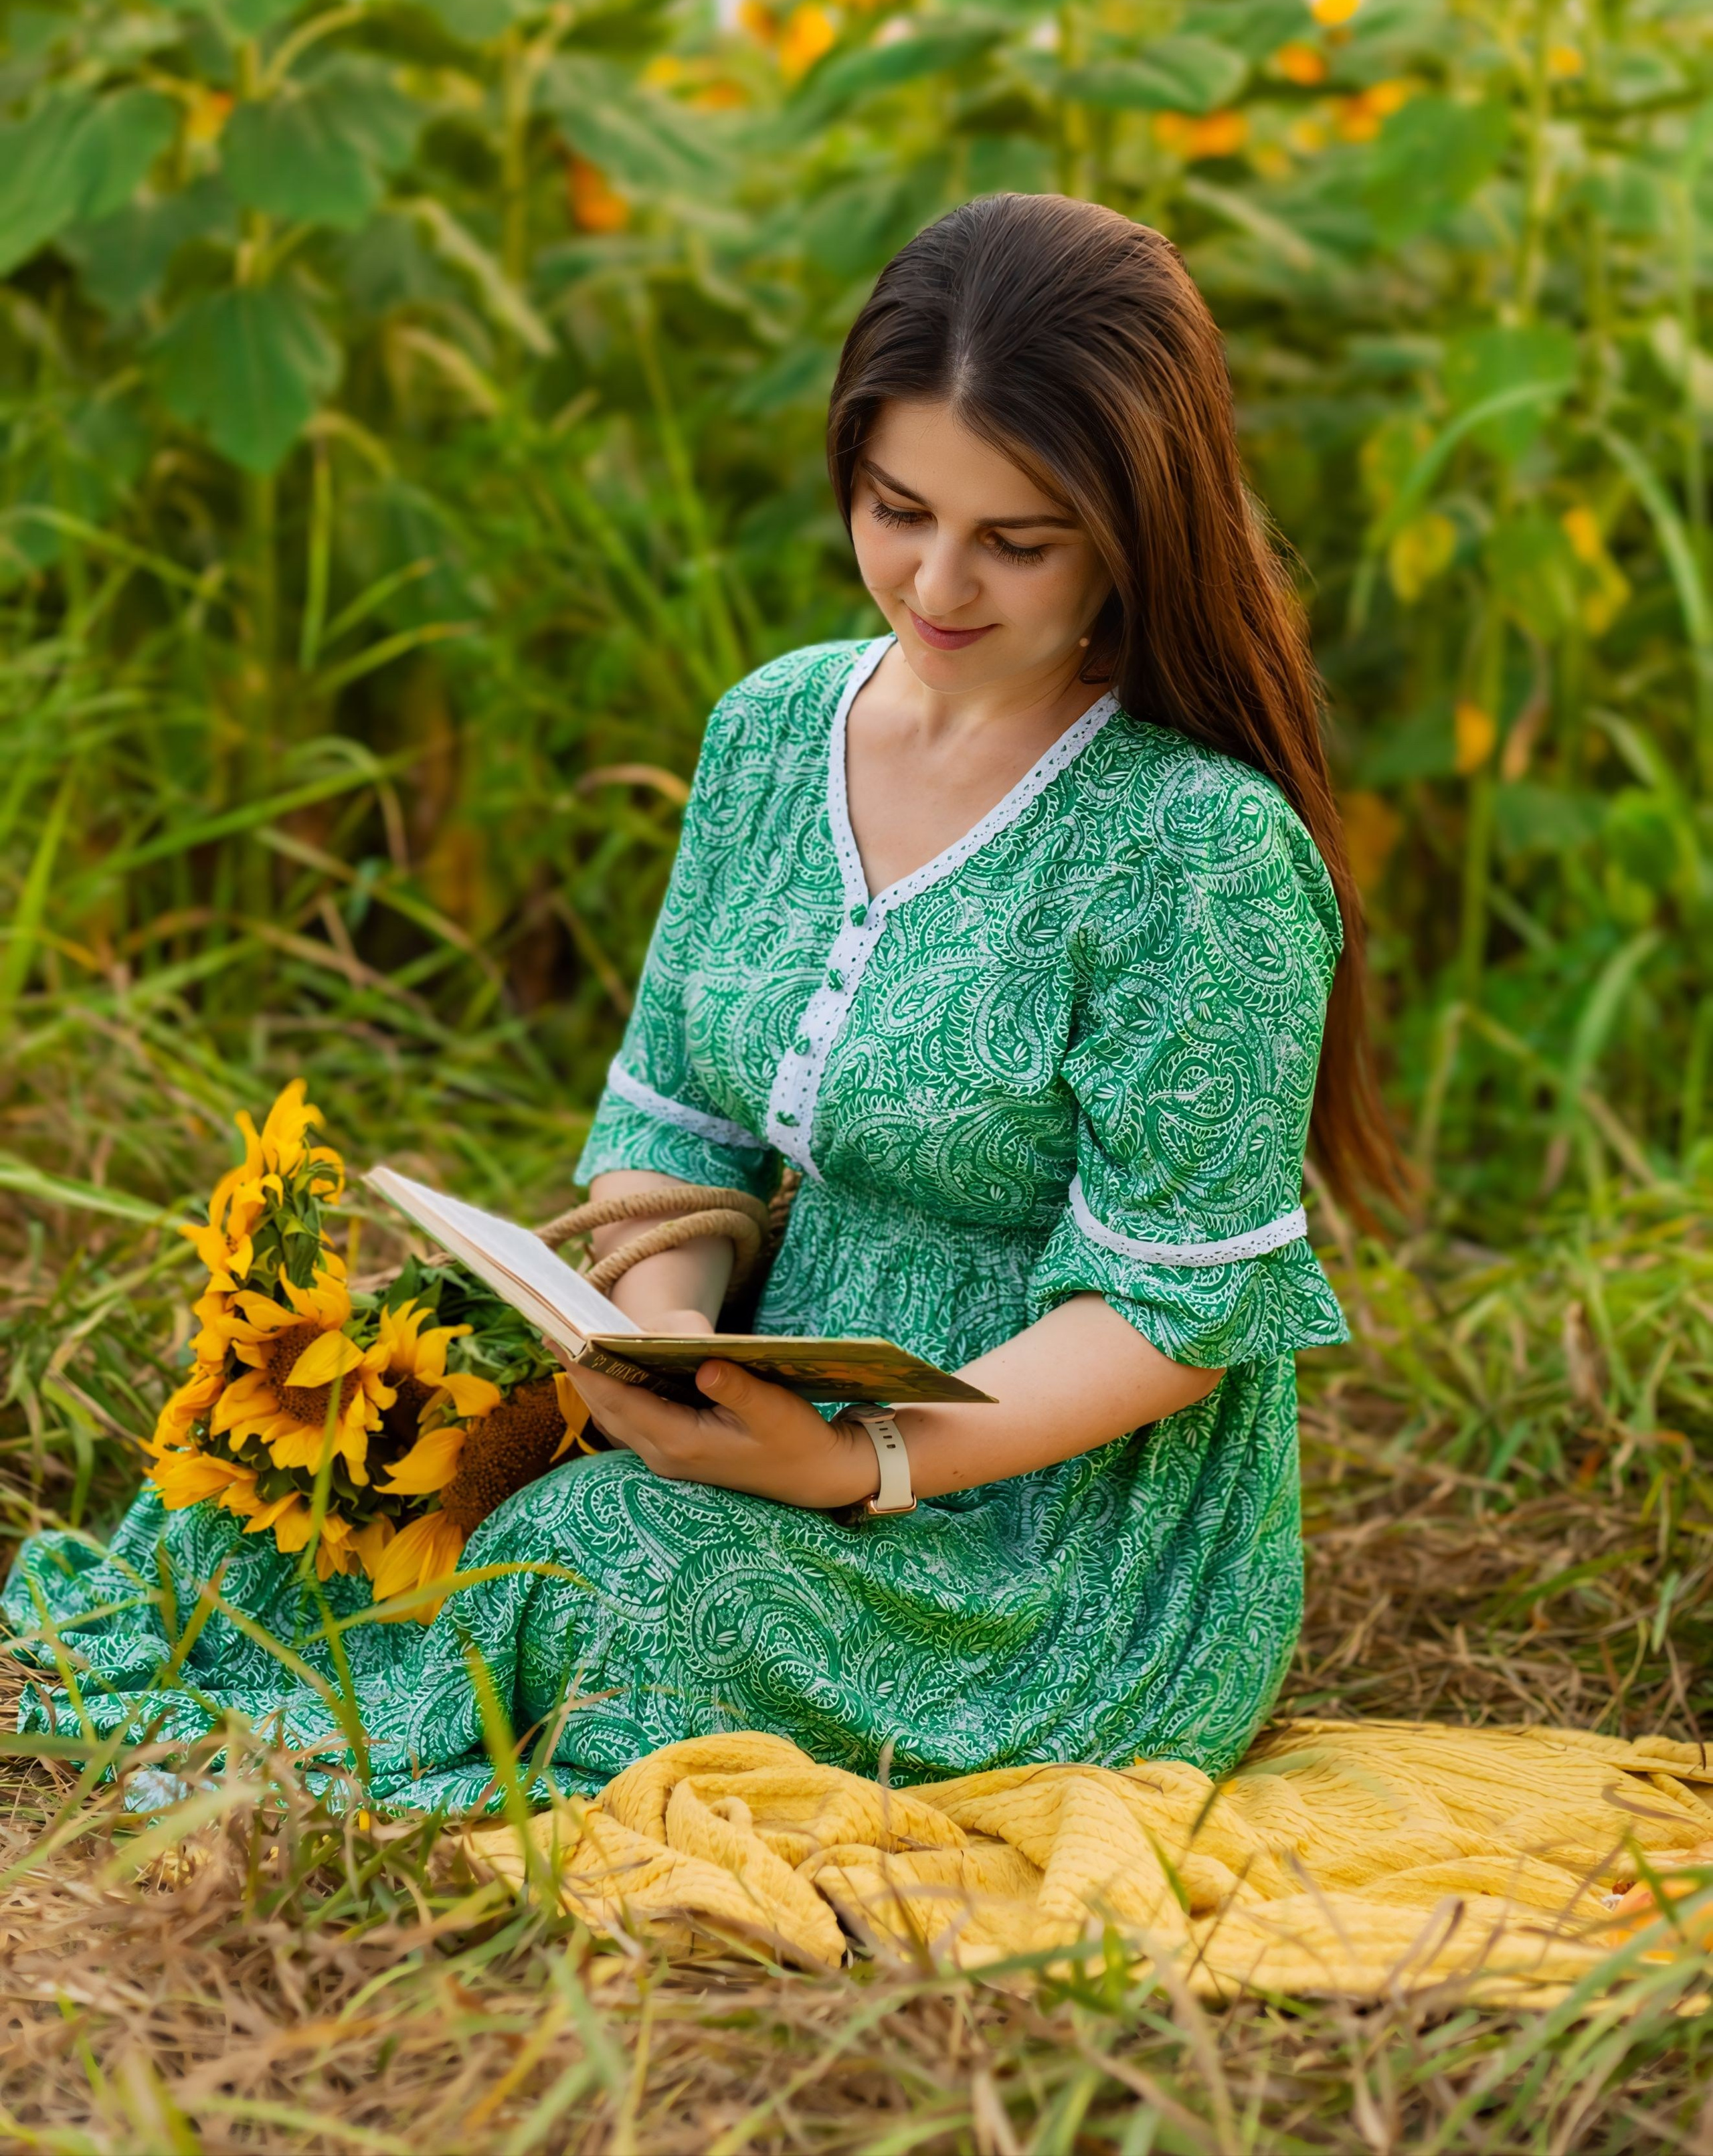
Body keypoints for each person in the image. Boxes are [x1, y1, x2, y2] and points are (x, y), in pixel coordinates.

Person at [5, 193, 1394, 1807]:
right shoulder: (774, 728)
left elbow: (1174, 1319)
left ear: (1135, 532)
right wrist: (654, 1345)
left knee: (604, 1562)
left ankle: (406, 1725)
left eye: (1017, 541)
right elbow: (676, 1120)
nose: (936, 582)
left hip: (1047, 1537)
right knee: (325, 1449)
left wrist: (853, 1461)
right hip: (759, 1384)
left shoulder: (1194, 849)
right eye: (896, 509)